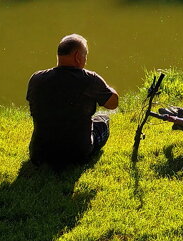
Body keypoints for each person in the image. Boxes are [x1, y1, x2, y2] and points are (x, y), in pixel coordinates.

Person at [26, 33, 120, 167]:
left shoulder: (36, 78)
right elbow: (113, 103)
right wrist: (109, 88)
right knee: (104, 120)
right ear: (77, 56)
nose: (85, 60)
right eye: (85, 55)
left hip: (39, 154)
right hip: (76, 154)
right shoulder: (89, 79)